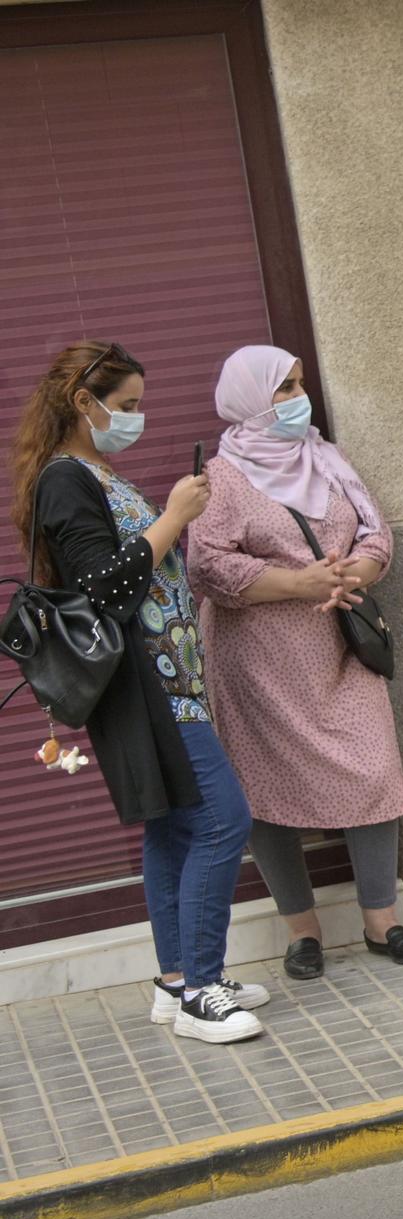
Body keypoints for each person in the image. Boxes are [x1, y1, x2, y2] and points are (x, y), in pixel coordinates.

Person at [10, 341, 265, 1042]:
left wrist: (175, 527)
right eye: (126, 406)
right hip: (146, 685)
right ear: (83, 404)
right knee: (222, 821)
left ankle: (176, 979)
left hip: (171, 676)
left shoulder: (95, 470)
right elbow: (101, 589)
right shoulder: (67, 480)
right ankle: (202, 994)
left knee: (176, 825)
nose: (137, 418)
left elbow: (139, 568)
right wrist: (174, 516)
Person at [187, 345, 403, 977]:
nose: (298, 398)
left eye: (298, 384)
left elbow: (376, 530)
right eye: (282, 388)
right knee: (264, 791)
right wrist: (298, 582)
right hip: (259, 663)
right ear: (247, 400)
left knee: (373, 770)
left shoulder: (326, 458)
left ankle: (383, 920)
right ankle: (302, 931)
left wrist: (363, 566)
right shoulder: (223, 478)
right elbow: (207, 565)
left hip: (343, 646)